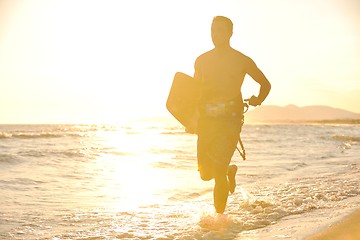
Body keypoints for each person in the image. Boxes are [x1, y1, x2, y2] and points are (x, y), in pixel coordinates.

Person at [193, 16, 271, 214]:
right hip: (207, 120)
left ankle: (220, 226)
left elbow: (265, 84)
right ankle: (229, 170)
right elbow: (193, 92)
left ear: (230, 33)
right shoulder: (201, 61)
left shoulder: (241, 60)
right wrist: (191, 118)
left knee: (217, 173)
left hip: (231, 120)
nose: (216, 34)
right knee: (205, 173)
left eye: (220, 30)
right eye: (213, 30)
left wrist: (257, 99)